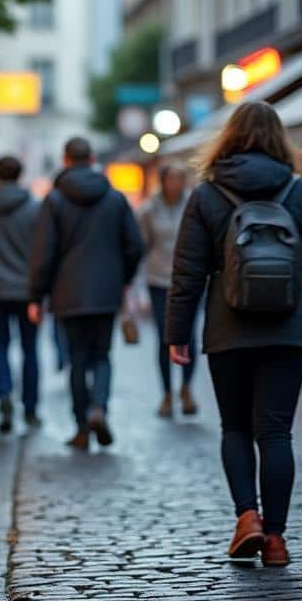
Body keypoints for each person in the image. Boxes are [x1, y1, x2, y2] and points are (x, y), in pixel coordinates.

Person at [166, 101, 302, 568]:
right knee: (277, 432)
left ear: (229, 137)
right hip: (289, 329)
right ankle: (278, 540)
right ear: (280, 139)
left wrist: (176, 333)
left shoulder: (207, 195)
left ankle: (248, 518)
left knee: (236, 428)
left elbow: (187, 273)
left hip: (227, 329)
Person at [28, 137, 143, 451]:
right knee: (102, 356)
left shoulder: (54, 200)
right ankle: (99, 408)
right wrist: (123, 278)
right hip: (106, 290)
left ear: (66, 161)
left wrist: (36, 295)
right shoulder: (115, 198)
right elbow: (135, 245)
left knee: (77, 359)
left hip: (67, 293)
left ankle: (81, 426)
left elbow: (44, 253)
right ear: (92, 159)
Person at [0, 155, 42, 433]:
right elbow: (43, 252)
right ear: (21, 174)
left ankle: (4, 396)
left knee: (0, 345)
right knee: (30, 349)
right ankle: (30, 409)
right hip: (28, 291)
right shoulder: (36, 210)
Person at [139, 162, 198, 417]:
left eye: (180, 178)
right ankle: (166, 393)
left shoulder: (194, 204)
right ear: (162, 182)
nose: (176, 183)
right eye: (171, 178)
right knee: (165, 337)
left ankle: (186, 388)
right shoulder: (149, 209)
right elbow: (141, 245)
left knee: (189, 335)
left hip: (190, 280)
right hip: (159, 280)